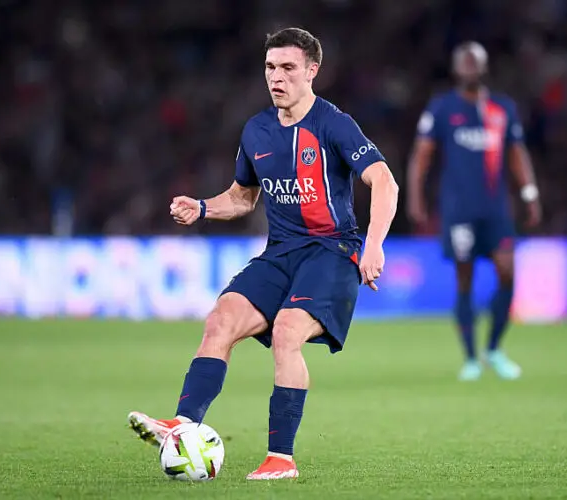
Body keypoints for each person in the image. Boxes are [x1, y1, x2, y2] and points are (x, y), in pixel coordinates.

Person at [128, 27, 399, 480]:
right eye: (271, 67)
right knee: (221, 320)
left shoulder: (334, 124)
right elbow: (243, 197)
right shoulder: (257, 130)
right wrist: (201, 208)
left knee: (289, 330)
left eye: (288, 68)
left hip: (334, 251)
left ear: (312, 71)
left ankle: (281, 458)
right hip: (281, 252)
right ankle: (182, 423)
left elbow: (384, 181)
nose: (277, 77)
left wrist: (374, 246)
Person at [407, 41, 542, 381]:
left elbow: (517, 153)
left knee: (508, 274)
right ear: (456, 70)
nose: (469, 68)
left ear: (484, 68)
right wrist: (415, 197)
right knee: (464, 281)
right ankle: (470, 358)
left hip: (496, 209)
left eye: (475, 63)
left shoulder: (502, 108)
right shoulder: (442, 108)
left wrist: (529, 193)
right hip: (459, 211)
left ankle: (493, 348)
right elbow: (422, 155)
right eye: (464, 63)